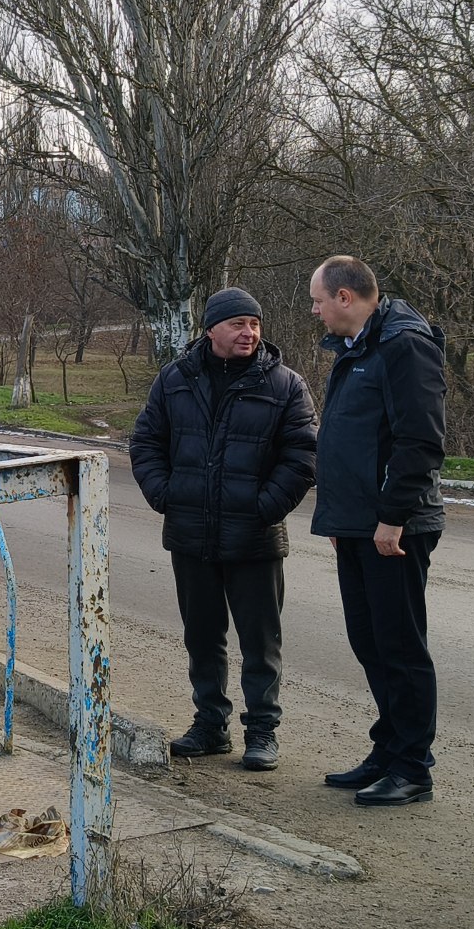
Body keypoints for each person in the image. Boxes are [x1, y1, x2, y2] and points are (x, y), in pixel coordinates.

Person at [129, 286, 318, 771]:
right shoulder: (174, 380)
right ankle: (210, 726)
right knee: (202, 637)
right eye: (238, 324)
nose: (249, 333)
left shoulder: (286, 385)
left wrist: (265, 506)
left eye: (254, 324)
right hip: (191, 535)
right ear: (211, 329)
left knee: (260, 643)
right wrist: (167, 495)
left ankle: (262, 732)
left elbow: (303, 455)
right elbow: (146, 441)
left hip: (255, 537)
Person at [306, 255, 447, 807]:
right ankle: (387, 750)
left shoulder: (404, 345)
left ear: (344, 297)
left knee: (400, 646)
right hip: (358, 524)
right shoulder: (357, 346)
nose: (315, 311)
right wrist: (343, 519)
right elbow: (354, 437)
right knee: (370, 643)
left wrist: (393, 517)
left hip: (395, 526)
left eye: (318, 300)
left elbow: (420, 441)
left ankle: (412, 767)